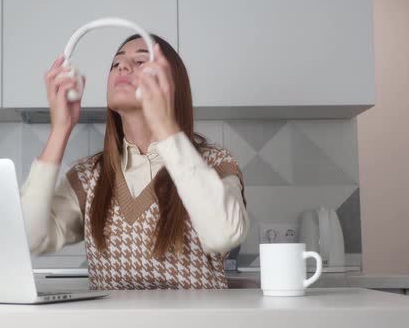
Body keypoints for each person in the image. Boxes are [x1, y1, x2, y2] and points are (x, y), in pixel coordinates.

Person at [20, 34, 249, 290]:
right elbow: (28, 238)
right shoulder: (89, 176)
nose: (122, 67)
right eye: (116, 63)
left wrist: (163, 124)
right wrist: (60, 130)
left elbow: (224, 235)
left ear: (171, 86)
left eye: (140, 61)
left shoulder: (214, 161)